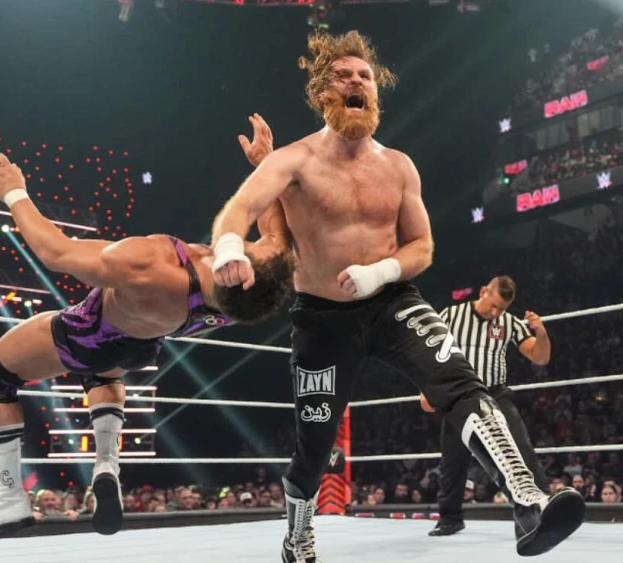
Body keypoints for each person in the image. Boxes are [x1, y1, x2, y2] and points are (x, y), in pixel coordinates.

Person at [210, 31, 585, 562]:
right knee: (314, 445)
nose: (357, 81)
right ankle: (297, 535)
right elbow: (239, 209)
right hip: (321, 320)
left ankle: (528, 501)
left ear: (376, 95)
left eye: (364, 76)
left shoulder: (399, 166)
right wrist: (228, 246)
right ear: (323, 94)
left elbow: (423, 247)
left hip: (391, 301)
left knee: (459, 381)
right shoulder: (292, 160)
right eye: (344, 75)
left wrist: (377, 272)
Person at [0, 150, 293, 540]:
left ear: (237, 272)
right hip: (141, 345)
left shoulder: (152, 264)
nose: (243, 236)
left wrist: (14, 193)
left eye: (247, 247)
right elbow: (277, 237)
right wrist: (266, 164)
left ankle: (6, 498)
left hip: (88, 333)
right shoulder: (248, 301)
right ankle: (106, 466)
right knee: (101, 373)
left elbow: (56, 253)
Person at [420, 276, 551, 537]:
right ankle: (450, 518)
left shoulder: (509, 322)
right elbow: (429, 351)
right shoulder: (452, 314)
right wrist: (426, 388)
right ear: (482, 292)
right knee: (453, 460)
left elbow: (540, 357)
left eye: (501, 309)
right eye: (492, 306)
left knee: (520, 448)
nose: (495, 313)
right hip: (458, 396)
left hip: (495, 394)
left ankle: (542, 512)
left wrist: (541, 332)